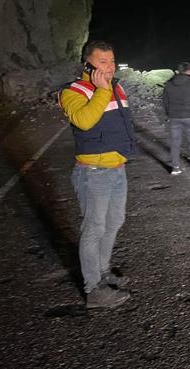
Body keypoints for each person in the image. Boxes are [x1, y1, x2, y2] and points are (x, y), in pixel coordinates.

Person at [59, 40, 134, 309]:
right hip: (93, 173)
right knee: (94, 229)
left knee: (114, 222)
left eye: (112, 61)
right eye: (103, 62)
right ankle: (94, 290)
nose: (110, 67)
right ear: (87, 64)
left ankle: (102, 273)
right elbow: (84, 120)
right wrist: (102, 91)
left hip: (117, 169)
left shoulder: (116, 86)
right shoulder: (72, 91)